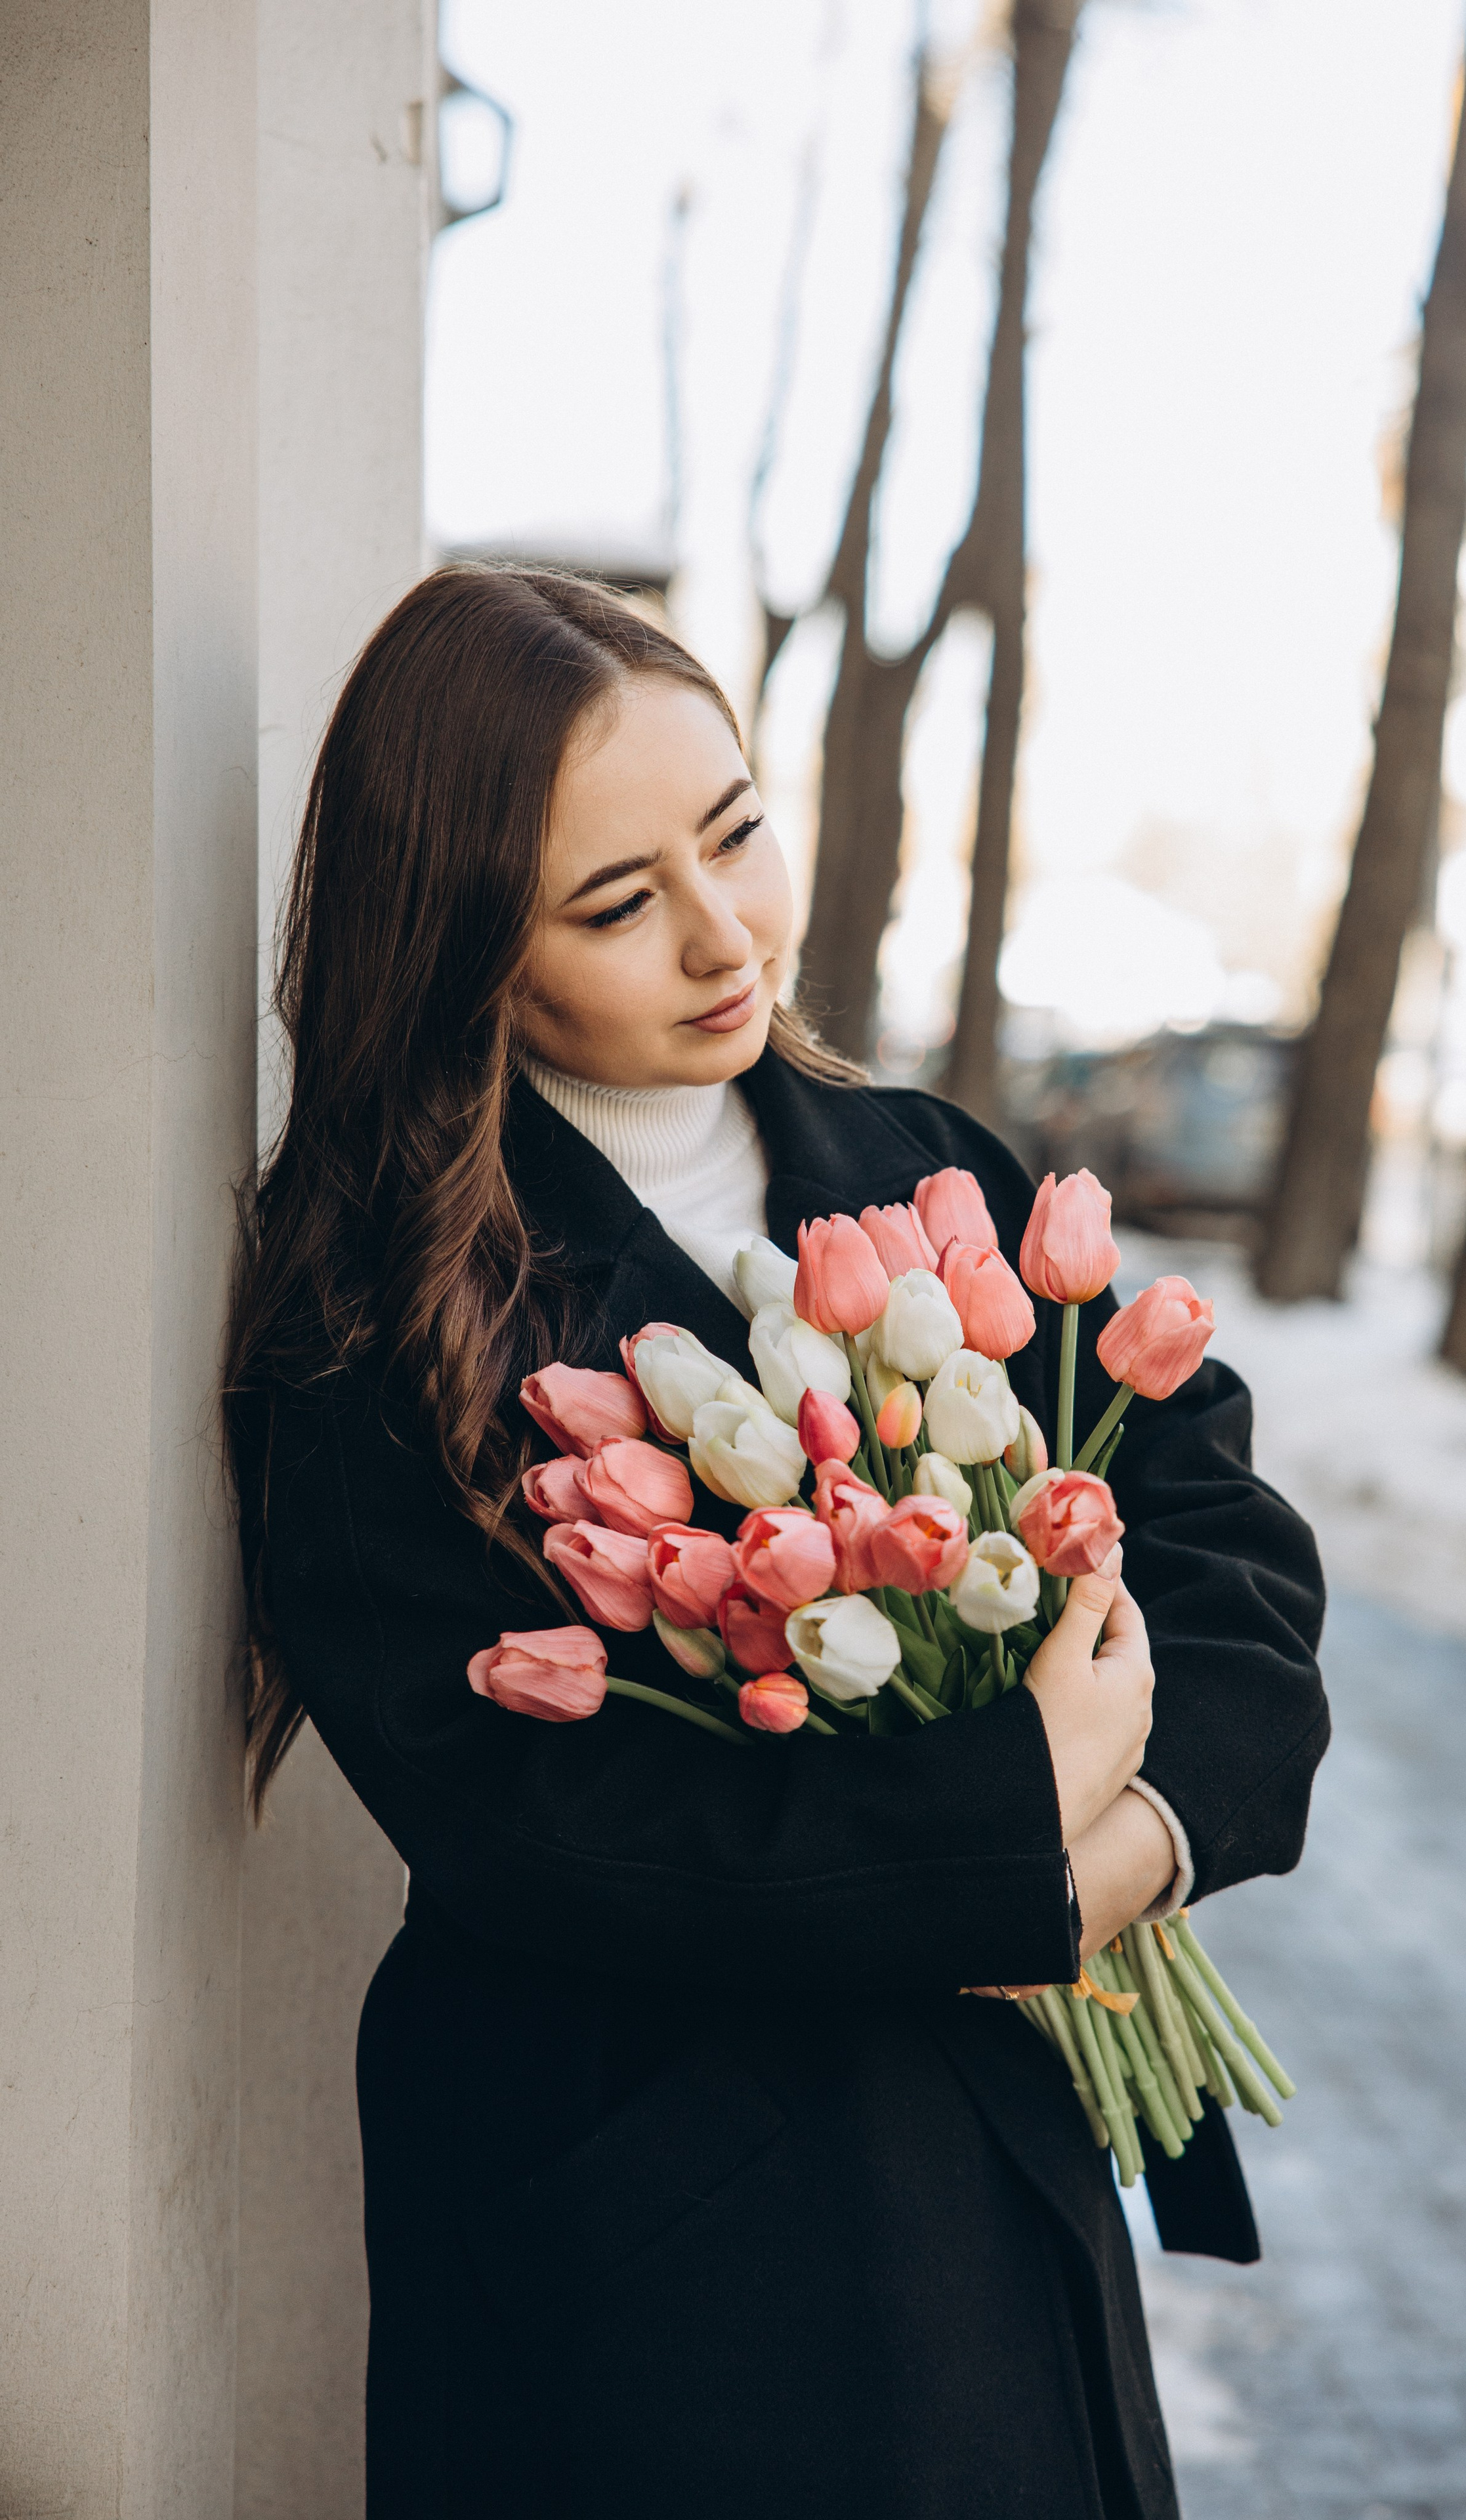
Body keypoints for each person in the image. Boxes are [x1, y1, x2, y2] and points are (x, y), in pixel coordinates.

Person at [226, 564, 1328, 2520]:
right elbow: (530, 1827)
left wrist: (1129, 1847)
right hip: (651, 2204)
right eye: (617, 903)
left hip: (991, 2144)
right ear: (469, 947)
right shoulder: (371, 1311)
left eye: (736, 831)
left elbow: (1228, 1558)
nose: (726, 934)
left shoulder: (927, 1170)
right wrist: (1005, 1815)